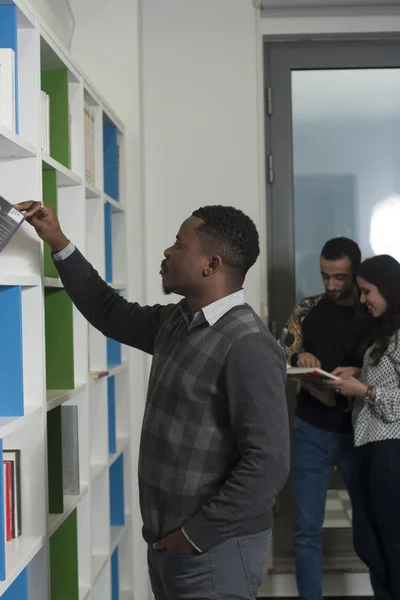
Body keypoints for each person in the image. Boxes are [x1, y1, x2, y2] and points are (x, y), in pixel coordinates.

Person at [16, 200, 290, 600]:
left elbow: (268, 465)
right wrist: (57, 240)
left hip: (212, 551)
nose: (167, 251)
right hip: (171, 546)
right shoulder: (178, 322)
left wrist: (194, 537)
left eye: (179, 244)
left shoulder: (248, 345)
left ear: (210, 265)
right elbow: (108, 311)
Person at [280, 237, 364, 600]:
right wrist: (301, 359)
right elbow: (281, 353)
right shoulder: (307, 308)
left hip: (360, 432)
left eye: (340, 277)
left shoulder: (371, 311)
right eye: (325, 276)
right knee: (306, 528)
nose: (332, 285)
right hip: (310, 428)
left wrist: (360, 373)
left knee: (371, 523)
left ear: (356, 273)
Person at [328, 254, 400, 600]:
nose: (362, 299)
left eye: (367, 291)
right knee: (370, 544)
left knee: (390, 547)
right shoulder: (385, 331)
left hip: (391, 450)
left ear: (387, 289)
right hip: (371, 449)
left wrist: (364, 390)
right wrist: (359, 374)